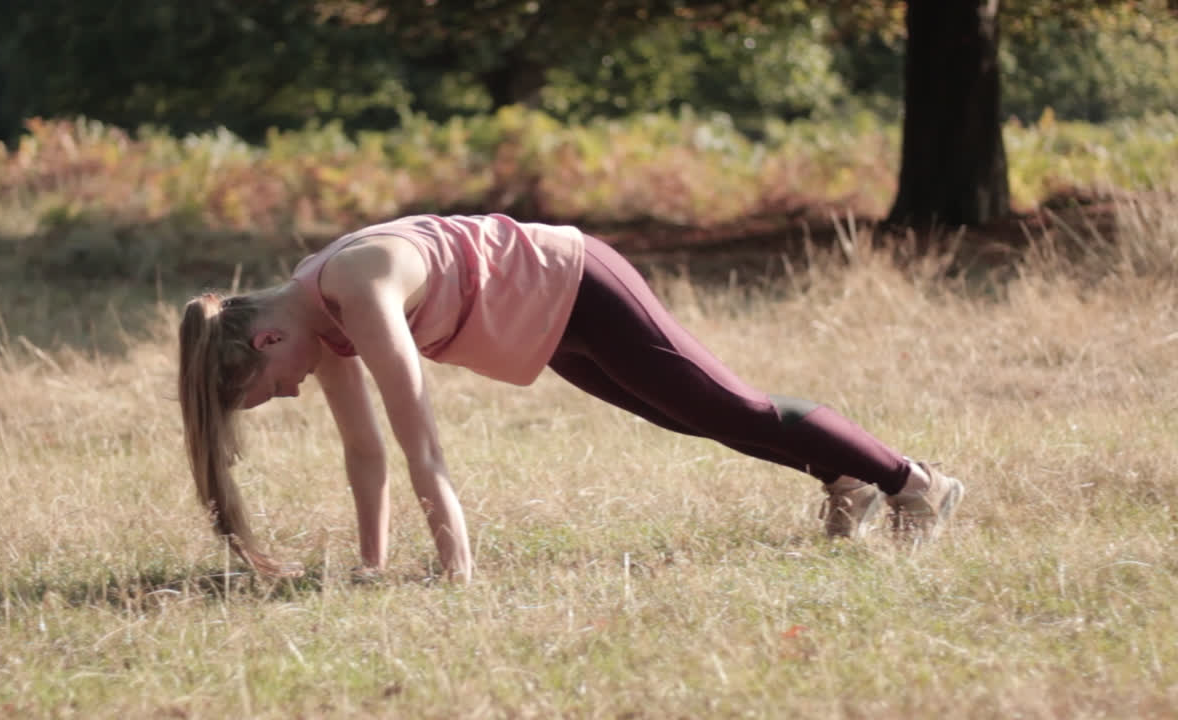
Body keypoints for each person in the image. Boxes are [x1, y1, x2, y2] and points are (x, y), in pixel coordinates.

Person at [177, 213, 964, 581]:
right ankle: (846, 481)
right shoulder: (321, 324)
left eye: (273, 392)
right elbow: (366, 454)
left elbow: (421, 445)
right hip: (548, 331)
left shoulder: (357, 287)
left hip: (579, 285)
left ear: (266, 342)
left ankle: (913, 483)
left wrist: (457, 571)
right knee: (686, 416)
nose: (293, 393)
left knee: (727, 406)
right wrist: (374, 567)